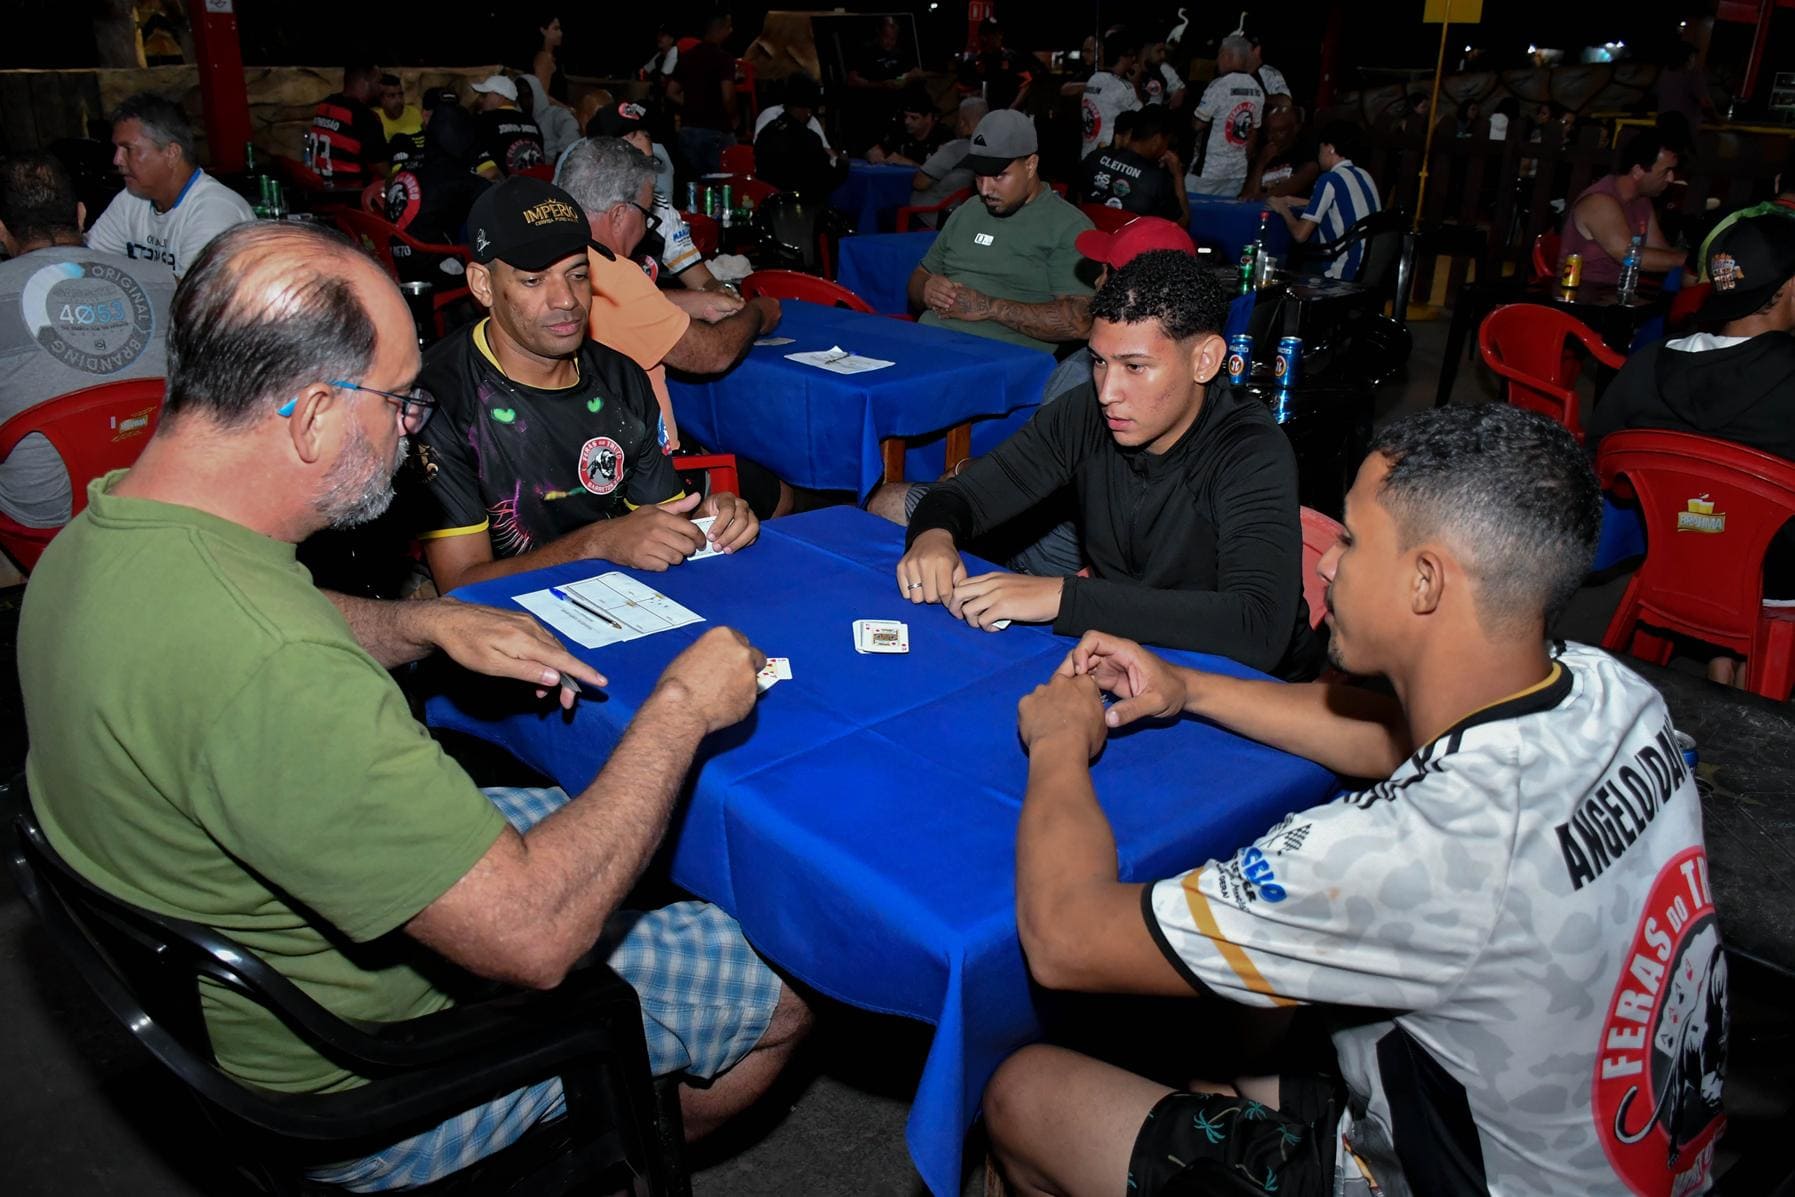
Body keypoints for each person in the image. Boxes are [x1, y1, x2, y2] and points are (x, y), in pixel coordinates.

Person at [19, 218, 811, 1192]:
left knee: (640, 827)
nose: (413, 430)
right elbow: (535, 936)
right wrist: (683, 704)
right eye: (400, 401)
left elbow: (264, 612)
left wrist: (417, 623)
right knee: (782, 980)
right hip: (367, 1082)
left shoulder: (104, 536)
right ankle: (607, 1152)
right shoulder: (280, 675)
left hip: (252, 967)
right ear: (312, 415)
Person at [983, 401, 1727, 1197]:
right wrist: (1188, 687)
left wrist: (1059, 740)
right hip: (1604, 1153)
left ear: (1424, 580)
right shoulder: (1611, 693)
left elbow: (1063, 937)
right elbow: (1388, 738)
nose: (1327, 565)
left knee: (1024, 1092)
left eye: (1350, 539)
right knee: (1222, 1025)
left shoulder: (1413, 848)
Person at [897, 250, 1322, 676]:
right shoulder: (1086, 414)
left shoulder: (1250, 449)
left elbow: (1257, 629)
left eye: (1135, 367)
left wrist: (1064, 598)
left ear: (1205, 360)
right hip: (1127, 653)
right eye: (1099, 361)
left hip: (1250, 689)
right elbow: (966, 495)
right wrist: (933, 536)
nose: (1107, 392)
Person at [415, 177, 759, 595]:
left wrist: (709, 521)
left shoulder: (620, 377)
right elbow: (459, 585)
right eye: (533, 281)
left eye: (578, 275)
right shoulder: (440, 399)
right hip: (506, 620)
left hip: (622, 601)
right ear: (483, 285)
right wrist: (597, 543)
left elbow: (663, 521)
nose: (566, 299)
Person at [870, 216, 1198, 582]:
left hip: (1043, 557)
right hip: (1087, 551)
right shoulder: (1196, 375)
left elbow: (1033, 480)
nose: (1096, 282)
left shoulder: (1086, 375)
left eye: (1105, 271)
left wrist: (962, 471)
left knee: (886, 503)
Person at [1590, 207, 1795, 684]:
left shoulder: (1649, 364)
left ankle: (1723, 658)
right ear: (1788, 288)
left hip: (1675, 558)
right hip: (1776, 582)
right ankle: (1747, 668)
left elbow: (1603, 466)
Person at [556, 138, 790, 515]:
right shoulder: (616, 273)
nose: (648, 226)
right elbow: (712, 354)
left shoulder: (555, 261)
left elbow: (620, 309)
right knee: (779, 491)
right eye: (646, 214)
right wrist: (759, 312)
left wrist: (691, 302)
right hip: (643, 473)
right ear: (618, 214)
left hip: (576, 458)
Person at [0, 154, 176, 537]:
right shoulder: (164, 280)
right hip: (162, 492)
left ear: (2, 230)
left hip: (48, 519)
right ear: (81, 215)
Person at [907, 109, 1095, 353]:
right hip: (931, 342)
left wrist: (989, 308)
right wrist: (926, 289)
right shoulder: (969, 210)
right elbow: (919, 277)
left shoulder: (1068, 226)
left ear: (1031, 165)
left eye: (998, 176)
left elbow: (1081, 321)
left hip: (999, 358)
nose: (985, 189)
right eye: (979, 177)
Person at [84, 92, 255, 280]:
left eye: (128, 149)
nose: (117, 160)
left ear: (172, 153)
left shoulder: (215, 210)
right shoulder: (130, 199)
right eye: (117, 149)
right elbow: (89, 263)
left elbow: (191, 293)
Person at [588, 99, 730, 293]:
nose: (644, 140)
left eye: (648, 163)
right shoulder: (581, 212)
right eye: (635, 164)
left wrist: (723, 292)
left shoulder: (660, 211)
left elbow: (702, 281)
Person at [1560, 133, 1686, 287]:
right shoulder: (1599, 202)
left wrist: (1695, 267)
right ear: (1638, 171)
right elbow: (1627, 255)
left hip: (1617, 291)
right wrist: (1686, 261)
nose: (1671, 178)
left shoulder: (1642, 202)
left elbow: (1659, 250)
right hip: (1582, 291)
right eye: (1666, 171)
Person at [384, 103, 491, 283]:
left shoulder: (413, 163)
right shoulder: (451, 174)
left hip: (395, 261)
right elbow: (493, 197)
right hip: (433, 268)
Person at [1267, 121, 1382, 280]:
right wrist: (1295, 201)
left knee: (1275, 262)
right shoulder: (1364, 175)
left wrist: (1283, 209)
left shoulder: (1329, 180)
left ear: (1330, 148)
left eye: (1320, 148)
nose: (1318, 155)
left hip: (1342, 270)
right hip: (1370, 268)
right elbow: (1343, 205)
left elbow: (1300, 235)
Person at [1076, 106, 1186, 223]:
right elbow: (1182, 222)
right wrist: (1177, 174)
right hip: (1127, 235)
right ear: (1157, 140)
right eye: (1167, 142)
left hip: (1087, 231)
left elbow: (1074, 201)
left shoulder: (1095, 157)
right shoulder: (1157, 180)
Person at [1188, 35, 1264, 198]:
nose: (1217, 60)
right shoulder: (1257, 89)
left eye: (1219, 55)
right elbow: (1253, 132)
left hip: (1209, 170)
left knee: (1190, 208)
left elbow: (1198, 124)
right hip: (1237, 172)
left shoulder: (1219, 85)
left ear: (1227, 56)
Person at [753, 75, 848, 201]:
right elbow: (825, 181)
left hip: (768, 204)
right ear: (808, 110)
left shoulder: (766, 132)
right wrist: (843, 165)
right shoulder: (809, 140)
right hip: (800, 207)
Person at [670, 12, 739, 177]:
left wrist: (692, 105)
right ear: (719, 29)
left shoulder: (687, 57)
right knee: (723, 182)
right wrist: (734, 117)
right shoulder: (724, 59)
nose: (731, 31)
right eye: (728, 27)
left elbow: (671, 92)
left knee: (692, 183)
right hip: (716, 131)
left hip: (688, 130)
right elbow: (728, 96)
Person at [905, 96, 986, 227]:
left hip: (929, 215)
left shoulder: (955, 148)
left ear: (962, 123)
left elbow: (920, 183)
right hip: (960, 214)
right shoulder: (990, 150)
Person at [308, 64, 390, 185]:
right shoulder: (364, 116)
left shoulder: (326, 104)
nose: (381, 88)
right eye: (378, 82)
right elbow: (383, 169)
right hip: (351, 192)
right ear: (367, 79)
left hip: (320, 190)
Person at [1076, 29, 1141, 162]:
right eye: (1132, 55)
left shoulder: (1094, 79)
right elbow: (1143, 119)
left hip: (1087, 156)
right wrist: (1136, 83)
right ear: (1123, 57)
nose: (1134, 59)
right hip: (1107, 160)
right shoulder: (1125, 88)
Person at [469, 74, 547, 180]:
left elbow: (488, 172)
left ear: (501, 96)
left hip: (505, 188)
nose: (481, 100)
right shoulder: (532, 122)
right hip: (537, 186)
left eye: (485, 95)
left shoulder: (484, 120)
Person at [1243, 93, 1319, 199]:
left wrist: (1260, 198)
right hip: (1260, 207)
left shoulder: (1305, 152)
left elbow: (1306, 175)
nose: (1271, 137)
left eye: (1279, 131)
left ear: (1295, 129)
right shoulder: (1262, 151)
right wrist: (1260, 163)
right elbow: (1247, 194)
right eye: (1269, 131)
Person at [958, 17, 1034, 113]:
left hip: (1008, 114)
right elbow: (962, 89)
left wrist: (1011, 109)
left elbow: (1027, 84)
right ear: (983, 37)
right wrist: (973, 95)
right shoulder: (973, 61)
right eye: (993, 34)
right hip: (982, 115)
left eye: (999, 33)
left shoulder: (1012, 57)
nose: (998, 37)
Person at [867, 86, 955, 167]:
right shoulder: (900, 130)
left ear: (928, 117)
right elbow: (878, 148)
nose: (907, 122)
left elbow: (942, 175)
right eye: (905, 116)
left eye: (914, 118)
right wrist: (873, 151)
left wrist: (909, 163)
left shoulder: (944, 137)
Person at [1656, 44, 1718, 138]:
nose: (1695, 61)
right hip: (1684, 128)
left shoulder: (1664, 73)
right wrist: (1716, 120)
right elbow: (1705, 103)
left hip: (1662, 125)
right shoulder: (1693, 74)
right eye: (1693, 57)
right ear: (1688, 58)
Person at [378, 73, 426, 168]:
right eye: (392, 96)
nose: (399, 100)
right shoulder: (375, 119)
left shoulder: (415, 114)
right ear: (381, 99)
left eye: (400, 94)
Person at [1136, 34, 1186, 109]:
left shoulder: (1163, 68)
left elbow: (1180, 92)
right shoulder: (1129, 66)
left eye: (1163, 51)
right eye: (1158, 51)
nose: (1163, 56)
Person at [1247, 32, 1292, 99]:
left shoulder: (1269, 73)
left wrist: (1256, 98)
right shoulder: (1233, 74)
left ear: (1257, 50)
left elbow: (1285, 101)